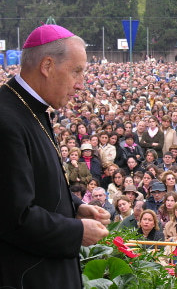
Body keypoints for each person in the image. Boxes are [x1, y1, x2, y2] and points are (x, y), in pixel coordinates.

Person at [0, 24, 109, 288]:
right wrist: (77, 230)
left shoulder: (32, 109)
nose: (81, 85)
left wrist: (75, 207)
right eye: (76, 71)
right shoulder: (6, 120)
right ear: (47, 66)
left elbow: (37, 183)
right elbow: (15, 217)